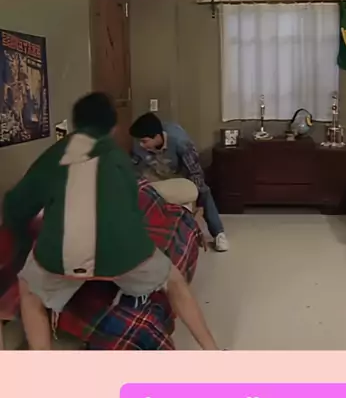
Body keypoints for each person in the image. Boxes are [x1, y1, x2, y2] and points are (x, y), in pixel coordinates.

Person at [2, 92, 219, 351]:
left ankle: (43, 363)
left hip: (62, 257)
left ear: (76, 124)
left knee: (29, 291)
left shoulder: (55, 155)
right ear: (113, 127)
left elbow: (15, 205)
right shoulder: (118, 158)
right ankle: (212, 351)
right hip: (123, 254)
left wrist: (24, 239)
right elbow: (131, 205)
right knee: (174, 281)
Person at [129, 112, 229, 252]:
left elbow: (195, 172)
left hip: (183, 176)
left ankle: (218, 233)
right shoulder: (138, 146)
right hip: (157, 175)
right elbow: (134, 171)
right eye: (139, 141)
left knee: (204, 190)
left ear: (157, 137)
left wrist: (195, 198)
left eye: (144, 141)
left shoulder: (180, 142)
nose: (141, 145)